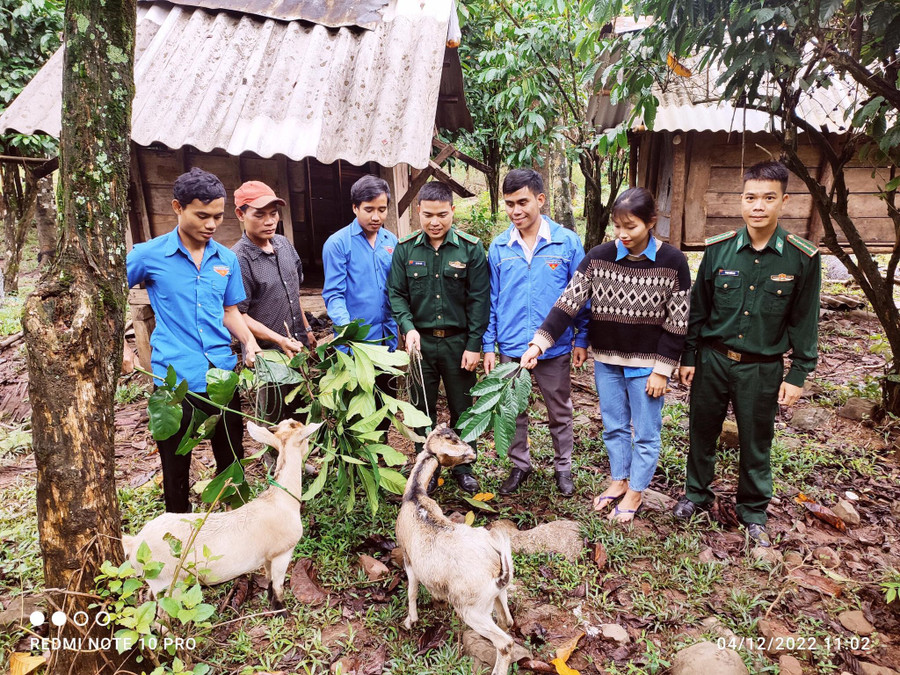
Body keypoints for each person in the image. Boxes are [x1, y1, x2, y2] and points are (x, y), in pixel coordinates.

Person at [521, 187, 691, 522]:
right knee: (613, 427)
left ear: (651, 222)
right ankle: (618, 480)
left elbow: (678, 320)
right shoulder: (599, 257)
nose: (623, 234)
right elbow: (567, 303)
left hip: (647, 367)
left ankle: (637, 490)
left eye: (631, 227)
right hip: (608, 362)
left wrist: (662, 370)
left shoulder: (674, 262)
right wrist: (539, 344)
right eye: (617, 226)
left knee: (645, 432)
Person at [673, 160, 821, 547]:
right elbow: (698, 309)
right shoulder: (720, 251)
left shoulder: (801, 257)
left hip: (762, 367)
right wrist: (689, 356)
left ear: (783, 201)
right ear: (741, 200)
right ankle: (695, 495)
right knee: (701, 431)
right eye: (751, 197)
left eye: (768, 198)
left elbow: (804, 320)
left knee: (757, 439)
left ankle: (753, 510)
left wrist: (798, 374)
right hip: (712, 360)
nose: (758, 206)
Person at [126, 167, 260, 512]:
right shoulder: (147, 255)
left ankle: (234, 524)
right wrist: (121, 348)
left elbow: (230, 310)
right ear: (177, 208)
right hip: (173, 380)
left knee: (231, 459)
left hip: (221, 376)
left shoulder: (226, 259)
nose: (211, 224)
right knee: (175, 465)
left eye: (217, 216)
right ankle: (179, 532)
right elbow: (106, 297)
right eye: (202, 215)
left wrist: (248, 341)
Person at [483, 169, 590, 497]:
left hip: (554, 348)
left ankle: (563, 468)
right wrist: (489, 344)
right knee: (513, 410)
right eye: (509, 204)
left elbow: (581, 295)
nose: (516, 211)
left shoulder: (566, 242)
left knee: (559, 409)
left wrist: (581, 338)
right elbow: (491, 299)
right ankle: (520, 465)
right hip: (511, 347)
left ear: (541, 200)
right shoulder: (500, 247)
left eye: (523, 202)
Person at [388, 182, 490, 494]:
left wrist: (475, 344)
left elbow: (478, 300)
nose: (435, 222)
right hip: (420, 344)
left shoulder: (471, 249)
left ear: (452, 212)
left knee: (463, 408)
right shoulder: (405, 249)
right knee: (421, 409)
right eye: (429, 214)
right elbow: (396, 294)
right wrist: (408, 327)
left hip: (458, 343)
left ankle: (463, 467)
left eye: (442, 215)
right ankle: (426, 466)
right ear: (418, 211)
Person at [231, 181, 316, 422]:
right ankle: (273, 460)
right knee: (273, 418)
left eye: (273, 214)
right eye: (259, 215)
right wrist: (279, 340)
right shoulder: (239, 259)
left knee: (301, 412)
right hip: (268, 355)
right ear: (241, 214)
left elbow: (294, 292)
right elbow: (239, 315)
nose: (269, 221)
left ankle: (298, 459)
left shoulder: (284, 245)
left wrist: (306, 329)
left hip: (296, 346)